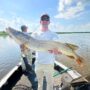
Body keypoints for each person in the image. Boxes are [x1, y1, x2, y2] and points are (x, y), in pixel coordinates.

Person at [31, 14, 61, 90]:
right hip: (38, 63)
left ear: (49, 22)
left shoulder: (54, 35)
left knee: (50, 84)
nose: (45, 21)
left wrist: (57, 51)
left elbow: (60, 52)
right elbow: (30, 48)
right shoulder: (34, 34)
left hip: (49, 63)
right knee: (40, 83)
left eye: (47, 19)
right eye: (43, 19)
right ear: (40, 21)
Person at [20, 25, 38, 90]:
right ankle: (29, 70)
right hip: (28, 49)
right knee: (29, 60)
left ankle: (24, 70)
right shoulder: (28, 34)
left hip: (22, 50)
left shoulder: (20, 34)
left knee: (23, 59)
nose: (27, 28)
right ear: (26, 29)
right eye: (27, 28)